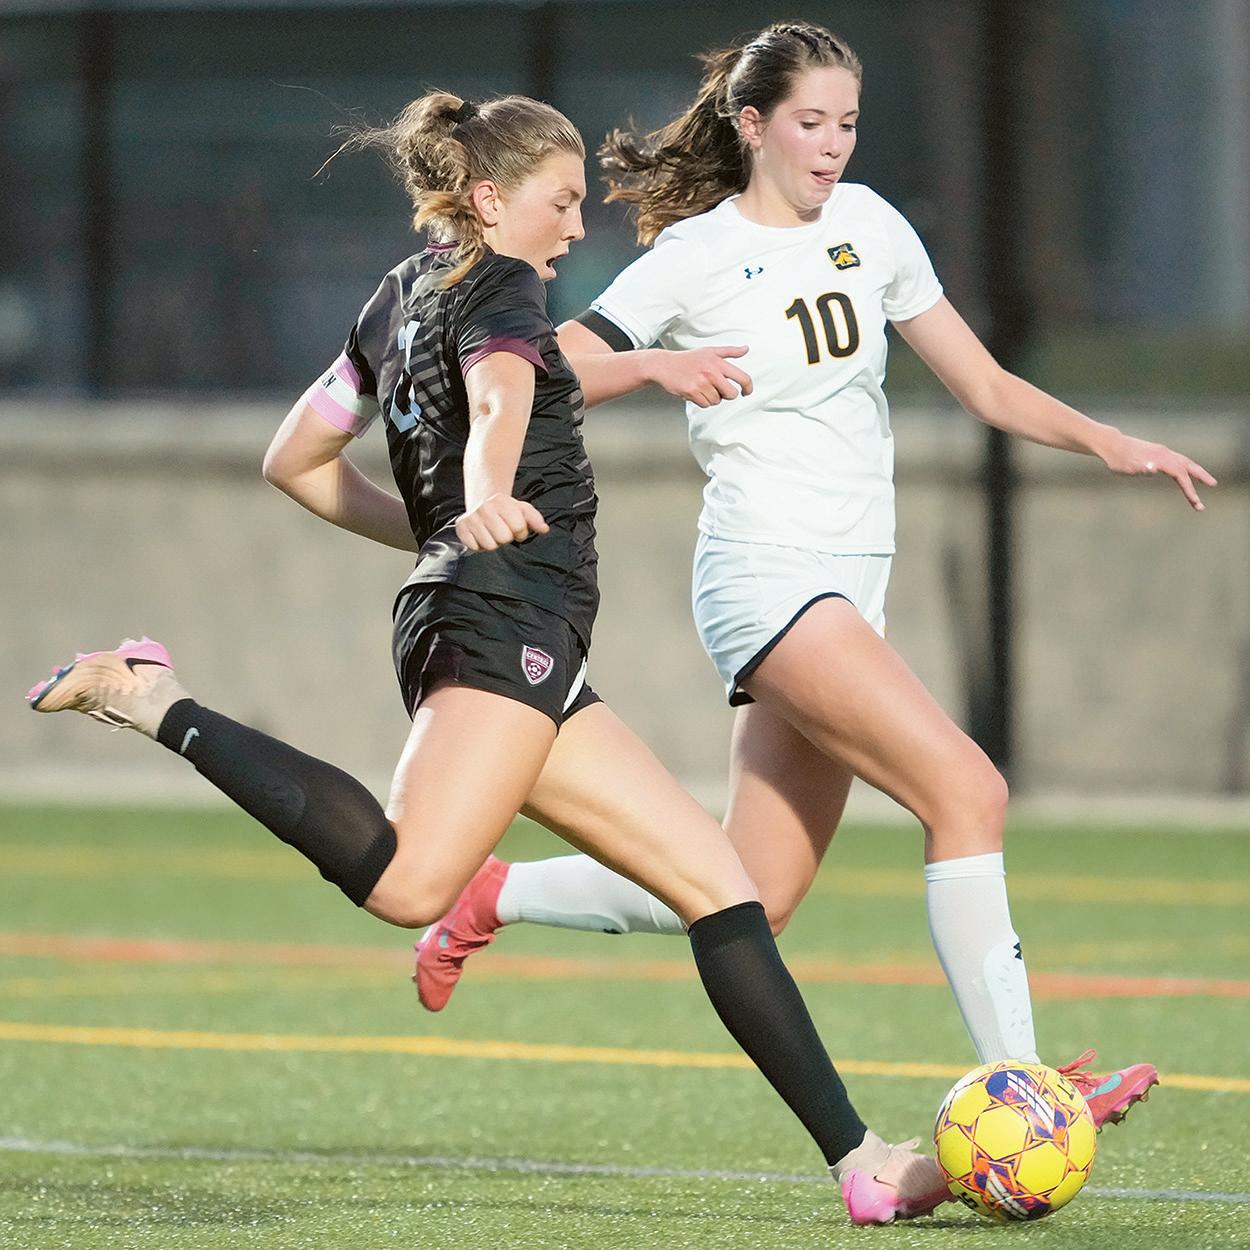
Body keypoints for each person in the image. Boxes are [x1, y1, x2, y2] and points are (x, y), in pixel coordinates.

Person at [26, 90, 956, 1226]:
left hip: (508, 622)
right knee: (410, 883)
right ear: (488, 197)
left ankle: (861, 1161)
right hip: (501, 620)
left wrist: (468, 507)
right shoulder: (505, 283)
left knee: (724, 889)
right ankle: (153, 697)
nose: (575, 225)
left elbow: (297, 458)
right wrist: (479, 494)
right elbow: (501, 386)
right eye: (560, 201)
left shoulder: (396, 295)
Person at [412, 23, 1210, 1128]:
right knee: (968, 791)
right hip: (766, 576)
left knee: (753, 888)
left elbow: (983, 384)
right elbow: (554, 366)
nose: (832, 145)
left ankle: (493, 890)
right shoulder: (697, 252)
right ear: (752, 126)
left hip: (845, 586)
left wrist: (1108, 440)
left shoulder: (871, 226)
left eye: (847, 124)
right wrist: (658, 365)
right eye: (810, 123)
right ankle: (1027, 1088)